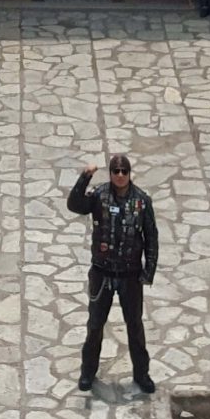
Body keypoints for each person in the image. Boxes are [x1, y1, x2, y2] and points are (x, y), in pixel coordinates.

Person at [67, 152, 159, 394]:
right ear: (110, 173)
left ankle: (142, 374)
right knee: (95, 325)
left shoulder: (141, 201)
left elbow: (151, 238)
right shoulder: (99, 196)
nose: (120, 175)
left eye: (124, 171)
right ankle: (87, 372)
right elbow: (75, 205)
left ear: (129, 174)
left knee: (135, 327)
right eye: (115, 171)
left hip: (130, 275)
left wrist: (148, 271)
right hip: (102, 272)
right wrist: (85, 177)